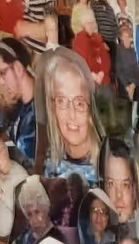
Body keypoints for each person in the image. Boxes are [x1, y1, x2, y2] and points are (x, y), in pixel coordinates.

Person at [38, 46, 102, 179]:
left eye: (79, 103)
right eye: (62, 101)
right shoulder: (51, 165)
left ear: (91, 110)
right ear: (52, 107)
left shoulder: (106, 167)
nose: (71, 115)